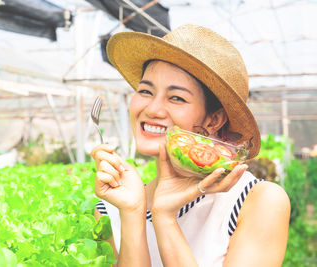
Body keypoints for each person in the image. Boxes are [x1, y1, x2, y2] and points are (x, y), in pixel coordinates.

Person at [91, 24, 290, 267]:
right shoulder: (112, 207)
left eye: (177, 97)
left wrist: (165, 218)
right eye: (145, 91)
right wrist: (133, 214)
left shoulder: (256, 200)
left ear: (214, 119)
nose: (152, 109)